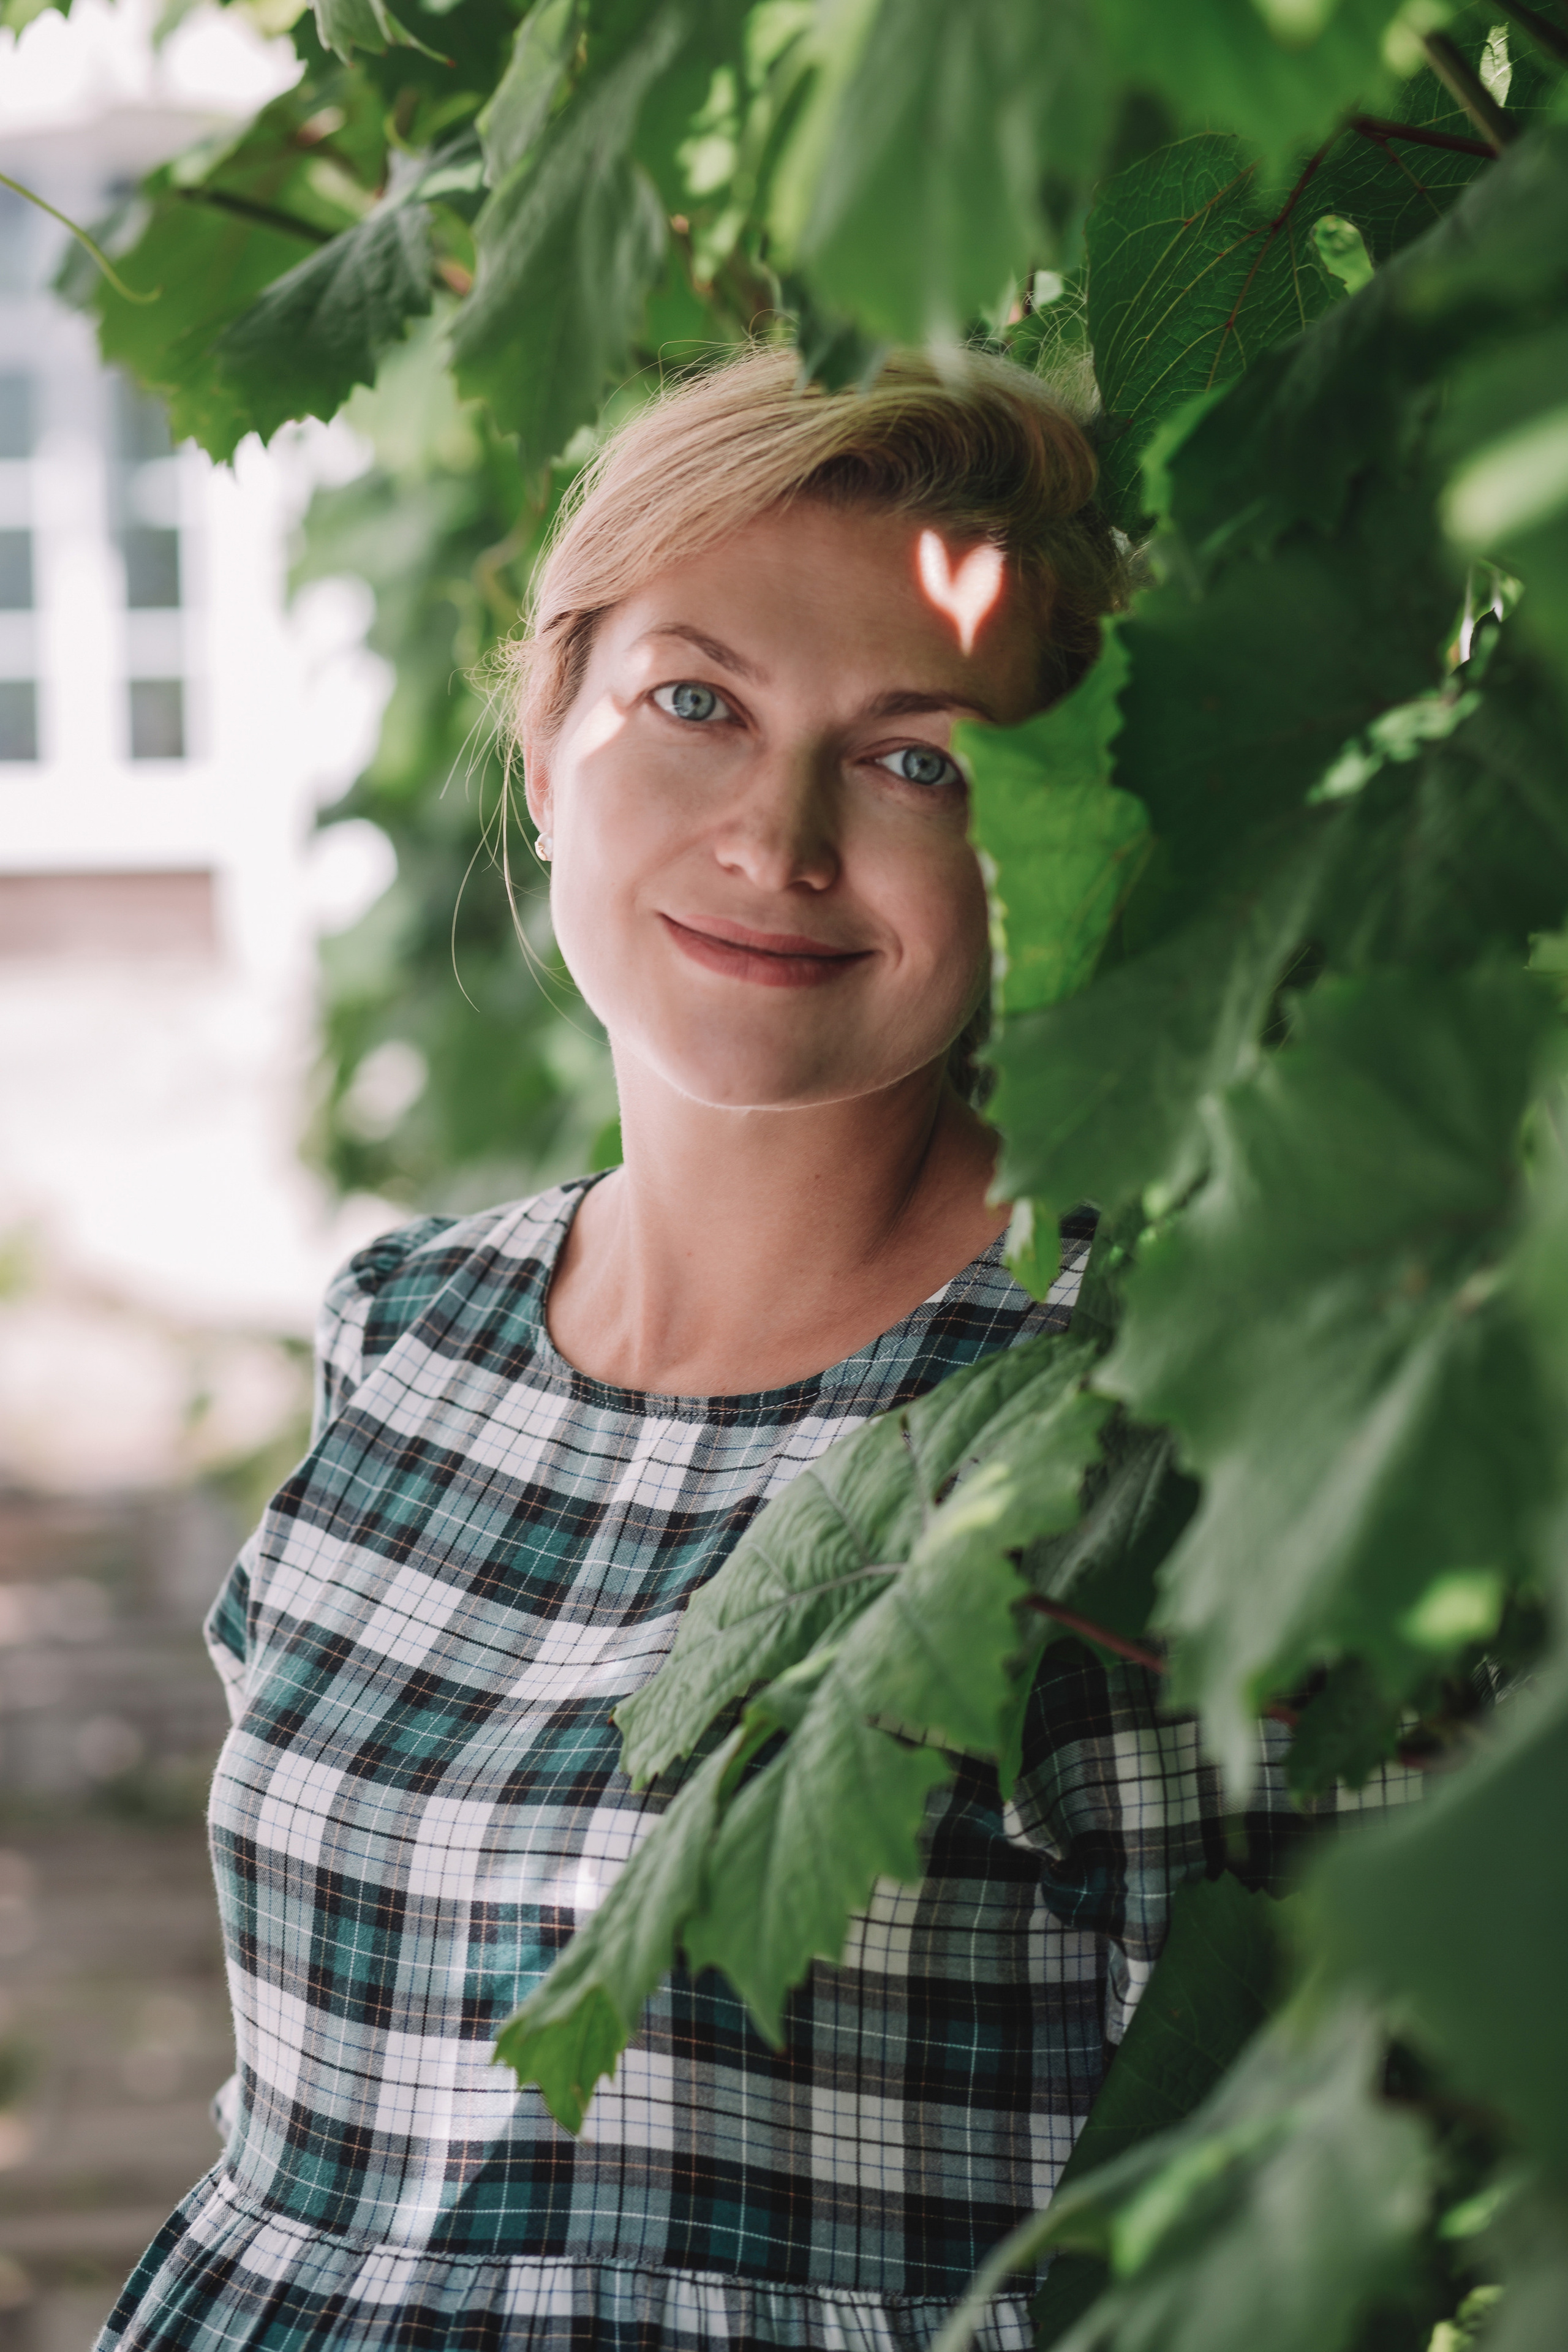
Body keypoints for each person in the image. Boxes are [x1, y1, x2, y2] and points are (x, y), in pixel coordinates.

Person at [99, 348, 1411, 2352]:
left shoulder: (1138, 1426)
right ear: (546, 746)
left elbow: (1301, 2215)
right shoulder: (411, 1334)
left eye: (918, 757)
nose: (779, 837)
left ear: (1052, 844)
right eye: (693, 703)